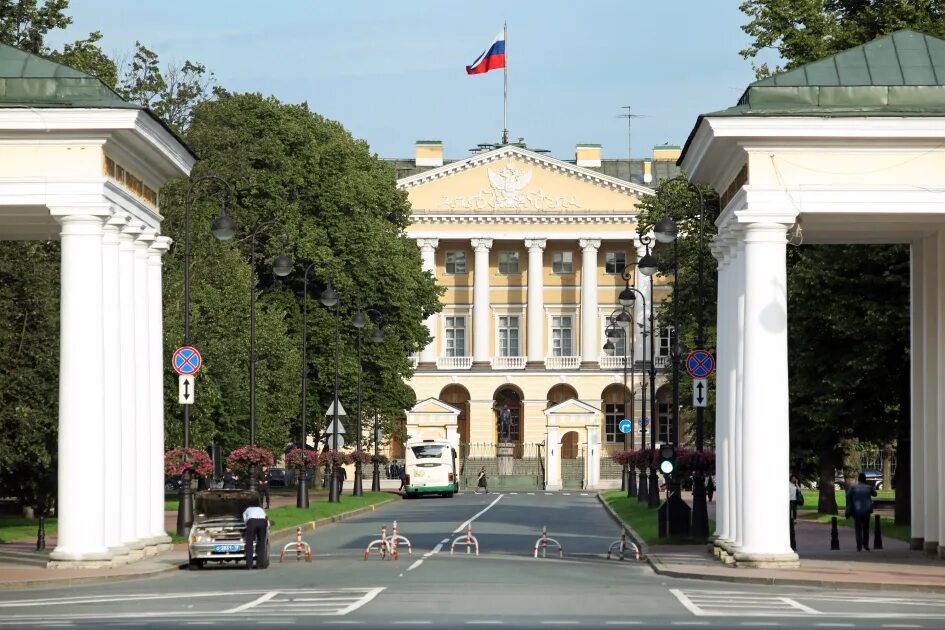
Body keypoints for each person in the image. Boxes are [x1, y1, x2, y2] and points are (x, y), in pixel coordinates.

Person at [846, 471, 878, 551]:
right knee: (866, 528)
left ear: (858, 479)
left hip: (857, 510)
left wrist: (849, 507)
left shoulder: (853, 487)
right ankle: (866, 544)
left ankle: (859, 545)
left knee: (858, 529)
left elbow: (848, 496)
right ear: (865, 479)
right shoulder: (868, 487)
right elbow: (875, 494)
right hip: (867, 510)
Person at [242, 503, 268, 569]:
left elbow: (245, 520)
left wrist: (247, 527)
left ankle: (249, 565)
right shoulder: (261, 509)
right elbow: (266, 517)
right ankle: (260, 565)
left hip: (252, 521)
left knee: (249, 543)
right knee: (261, 543)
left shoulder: (247, 510)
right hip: (263, 522)